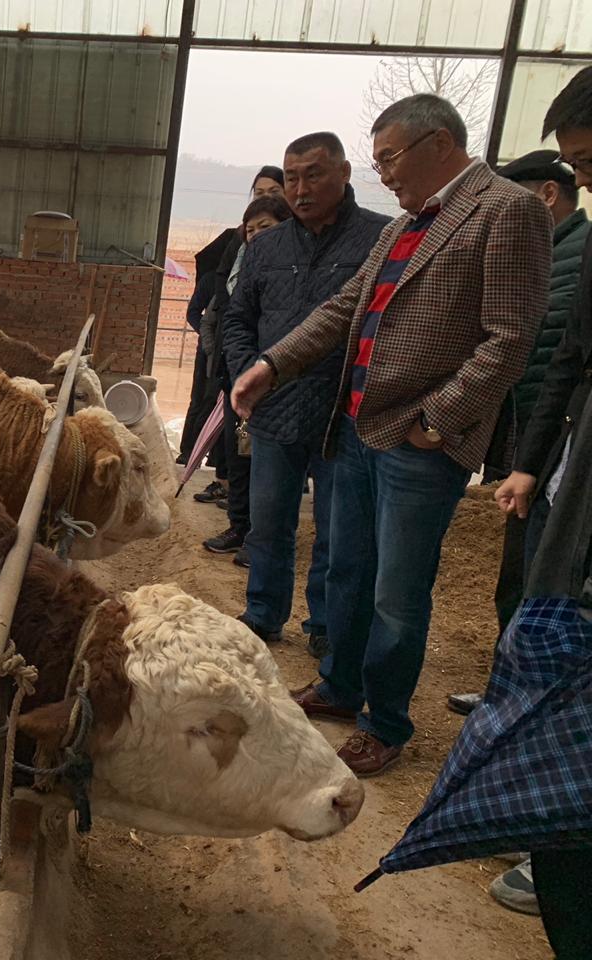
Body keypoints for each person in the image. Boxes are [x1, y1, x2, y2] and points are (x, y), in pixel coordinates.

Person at [232, 93, 551, 777]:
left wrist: (439, 420)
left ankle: (385, 721)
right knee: (347, 568)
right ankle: (340, 684)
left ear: (438, 144)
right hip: (358, 427)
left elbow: (509, 337)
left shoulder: (505, 210)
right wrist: (272, 363)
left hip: (416, 443)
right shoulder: (407, 224)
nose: (383, 174)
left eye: (389, 159)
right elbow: (345, 306)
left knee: (396, 592)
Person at [480, 69, 592, 931]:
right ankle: (547, 820)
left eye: (589, 164)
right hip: (573, 476)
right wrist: (530, 461)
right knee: (547, 620)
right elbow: (566, 359)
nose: (585, 180)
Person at [222, 132, 389, 650]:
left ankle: (325, 625)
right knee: (269, 524)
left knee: (338, 535)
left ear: (344, 173)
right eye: (291, 177)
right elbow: (237, 319)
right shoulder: (266, 247)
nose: (300, 189)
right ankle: (263, 612)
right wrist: (249, 370)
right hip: (274, 411)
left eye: (313, 175)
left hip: (343, 414)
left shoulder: (379, 240)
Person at [448, 150, 589, 718]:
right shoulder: (549, 254)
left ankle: (524, 702)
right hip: (537, 443)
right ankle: (509, 691)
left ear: (546, 195)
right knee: (520, 574)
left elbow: (557, 362)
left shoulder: (571, 257)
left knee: (541, 580)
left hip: (557, 443)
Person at [185, 166, 284, 504]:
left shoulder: (291, 260)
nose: (256, 234)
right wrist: (218, 349)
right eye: (259, 193)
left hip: (271, 368)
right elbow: (216, 310)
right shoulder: (238, 254)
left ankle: (253, 516)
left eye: (273, 192)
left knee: (261, 449)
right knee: (233, 437)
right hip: (231, 361)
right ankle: (235, 508)